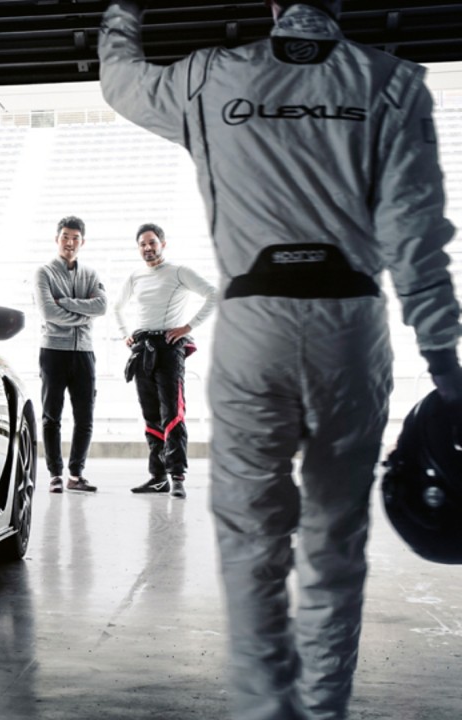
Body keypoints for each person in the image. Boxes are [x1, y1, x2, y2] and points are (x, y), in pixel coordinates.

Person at [98, 1, 462, 718]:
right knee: (334, 543)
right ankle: (323, 712)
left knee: (252, 540)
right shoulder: (391, 83)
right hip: (350, 327)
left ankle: (268, 712)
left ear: (270, 5)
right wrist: (446, 366)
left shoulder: (213, 75)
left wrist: (122, 13)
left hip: (254, 320)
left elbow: (121, 82)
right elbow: (418, 239)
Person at [114, 223, 217, 499]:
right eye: (142, 244)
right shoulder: (135, 277)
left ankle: (178, 476)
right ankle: (158, 477)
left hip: (170, 348)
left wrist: (188, 327)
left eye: (152, 242)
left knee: (172, 412)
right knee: (150, 413)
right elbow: (117, 307)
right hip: (142, 349)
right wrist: (126, 335)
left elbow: (213, 294)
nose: (147, 248)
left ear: (163, 243)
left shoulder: (179, 272)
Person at [34, 216, 107, 494]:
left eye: (75, 238)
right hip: (53, 350)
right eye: (65, 236)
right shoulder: (44, 273)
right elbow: (47, 313)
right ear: (57, 239)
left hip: (84, 353)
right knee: (51, 415)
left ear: (82, 242)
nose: (70, 242)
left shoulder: (91, 274)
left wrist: (65, 303)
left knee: (85, 416)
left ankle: (76, 475)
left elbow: (100, 306)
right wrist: (83, 314)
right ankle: (55, 474)